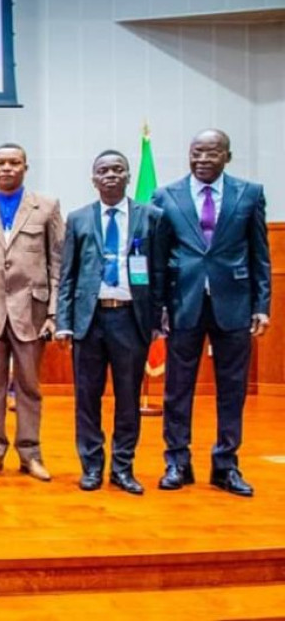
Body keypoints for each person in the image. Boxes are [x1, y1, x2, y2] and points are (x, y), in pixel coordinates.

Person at [152, 129, 270, 497]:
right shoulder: (166, 195)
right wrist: (158, 306)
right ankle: (177, 461)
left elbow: (259, 254)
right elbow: (158, 258)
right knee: (177, 389)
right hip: (183, 303)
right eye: (196, 152)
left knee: (232, 389)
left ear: (227, 157)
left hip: (234, 303)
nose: (203, 159)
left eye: (212, 152)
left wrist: (261, 306)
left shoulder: (249, 194)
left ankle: (226, 464)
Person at [55, 151, 162, 495]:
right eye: (103, 170)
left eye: (118, 169)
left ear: (129, 176)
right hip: (90, 320)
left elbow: (159, 271)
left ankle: (123, 468)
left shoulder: (151, 217)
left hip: (131, 319)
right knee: (87, 398)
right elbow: (67, 274)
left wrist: (160, 318)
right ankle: (91, 466)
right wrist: (64, 321)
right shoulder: (79, 219)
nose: (111, 175)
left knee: (128, 398)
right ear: (93, 179)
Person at [0, 143, 63, 481]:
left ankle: (30, 454)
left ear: (25, 167)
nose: (7, 168)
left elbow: (56, 263)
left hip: (31, 313)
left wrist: (53, 313)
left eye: (14, 162)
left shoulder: (46, 207)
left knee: (29, 387)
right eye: (1, 163)